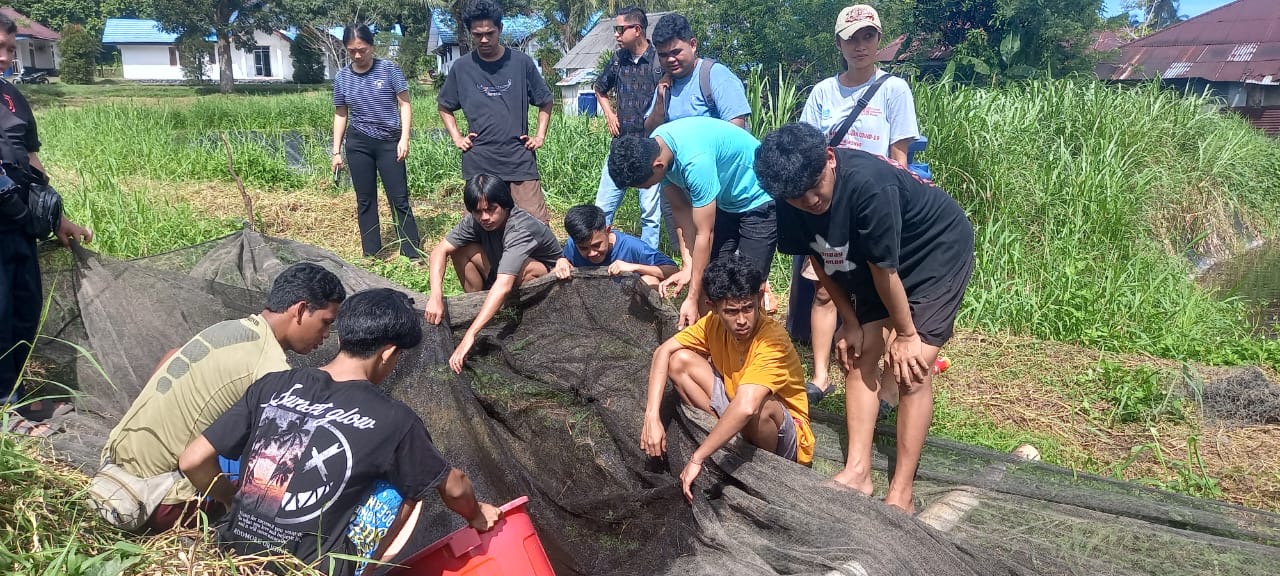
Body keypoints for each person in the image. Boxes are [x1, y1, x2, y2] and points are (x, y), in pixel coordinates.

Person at [179, 288, 501, 576]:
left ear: (340, 339)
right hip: (305, 569)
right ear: (389, 353)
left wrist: (230, 499)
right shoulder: (394, 419)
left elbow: (193, 460)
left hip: (232, 556)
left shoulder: (273, 384)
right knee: (406, 485)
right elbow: (454, 486)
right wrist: (477, 513)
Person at [754, 122, 974, 513]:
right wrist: (850, 320)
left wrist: (906, 334)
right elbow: (817, 257)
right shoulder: (790, 194)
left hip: (934, 250)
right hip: (874, 259)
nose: (810, 201)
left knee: (911, 368)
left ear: (829, 158)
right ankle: (858, 472)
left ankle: (902, 492)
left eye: (815, 187)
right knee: (858, 354)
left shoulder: (870, 185)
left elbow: (884, 271)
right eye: (797, 198)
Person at [99, 262, 345, 532]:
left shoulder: (227, 329)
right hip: (157, 500)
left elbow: (171, 355)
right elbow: (195, 462)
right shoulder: (271, 370)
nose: (326, 335)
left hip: (111, 466)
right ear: (300, 310)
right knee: (274, 471)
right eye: (325, 323)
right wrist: (231, 500)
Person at [798, 4, 922, 405]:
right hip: (829, 205)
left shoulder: (894, 90)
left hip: (874, 204)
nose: (860, 45)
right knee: (824, 289)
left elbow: (899, 158)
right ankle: (820, 376)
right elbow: (807, 153)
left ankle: (886, 385)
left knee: (884, 290)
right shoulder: (823, 92)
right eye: (851, 38)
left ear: (878, 40)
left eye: (868, 36)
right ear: (839, 44)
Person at [640, 254, 813, 501]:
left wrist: (697, 458)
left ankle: (763, 473)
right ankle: (728, 445)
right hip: (735, 401)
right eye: (731, 312)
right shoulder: (712, 323)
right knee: (679, 361)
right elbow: (663, 352)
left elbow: (747, 407)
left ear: (758, 298)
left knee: (758, 407)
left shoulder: (773, 341)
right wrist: (651, 417)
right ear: (712, 307)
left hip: (781, 434)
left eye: (748, 308)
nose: (742, 320)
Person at [1, 13, 93, 432]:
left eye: (10, 48)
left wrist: (58, 219)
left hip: (20, 227)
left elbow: (33, 163)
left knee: (23, 312)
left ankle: (15, 398)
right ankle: (4, 412)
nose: (6, 57)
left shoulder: (12, 97)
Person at [609, 116, 777, 330]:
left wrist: (692, 296)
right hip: (726, 200)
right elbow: (680, 210)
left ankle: (752, 340)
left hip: (758, 196)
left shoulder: (695, 162)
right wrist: (688, 266)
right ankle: (710, 336)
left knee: (747, 283)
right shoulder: (657, 147)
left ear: (658, 166)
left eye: (645, 185)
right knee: (709, 277)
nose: (647, 189)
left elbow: (704, 233)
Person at [423, 174, 564, 373]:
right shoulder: (476, 221)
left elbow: (504, 284)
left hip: (542, 284)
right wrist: (435, 296)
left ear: (505, 205)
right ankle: (475, 304)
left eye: (491, 209)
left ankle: (518, 315)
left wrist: (470, 335)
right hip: (501, 272)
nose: (485, 217)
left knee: (525, 266)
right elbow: (439, 250)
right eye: (478, 211)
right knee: (459, 249)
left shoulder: (519, 228)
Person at [438, 0, 555, 223]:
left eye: (489, 33)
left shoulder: (521, 63)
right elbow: (445, 105)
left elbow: (545, 101)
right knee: (480, 225)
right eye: (477, 34)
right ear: (470, 33)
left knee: (536, 223)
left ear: (500, 29)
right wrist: (457, 137)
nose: (484, 39)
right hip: (479, 161)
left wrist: (540, 136)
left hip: (519, 159)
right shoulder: (462, 67)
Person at [331, 24, 422, 261]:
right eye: (352, 51)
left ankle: (411, 252)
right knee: (365, 199)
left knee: (399, 198)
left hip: (389, 142)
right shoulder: (342, 77)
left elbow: (405, 104)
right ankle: (371, 252)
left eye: (362, 50)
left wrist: (404, 138)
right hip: (358, 143)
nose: (357, 55)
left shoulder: (389, 70)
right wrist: (336, 151)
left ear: (371, 46)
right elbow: (341, 113)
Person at [593, 6, 670, 250]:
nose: (616, 34)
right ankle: (595, 251)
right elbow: (599, 88)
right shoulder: (618, 60)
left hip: (651, 148)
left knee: (650, 213)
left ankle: (648, 258)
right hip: (621, 146)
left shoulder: (659, 61)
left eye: (620, 29)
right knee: (603, 208)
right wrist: (609, 114)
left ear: (637, 30)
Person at [642, 13, 751, 134]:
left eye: (676, 52)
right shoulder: (664, 85)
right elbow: (650, 132)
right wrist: (660, 103)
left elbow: (736, 131)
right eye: (663, 55)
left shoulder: (715, 76)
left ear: (693, 45)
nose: (670, 59)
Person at [555, 204, 677, 288]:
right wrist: (562, 262)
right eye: (583, 248)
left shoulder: (632, 246)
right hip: (589, 301)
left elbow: (673, 271)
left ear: (608, 231)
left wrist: (634, 267)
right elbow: (563, 265)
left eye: (596, 245)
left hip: (626, 303)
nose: (592, 253)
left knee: (649, 281)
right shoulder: (572, 245)